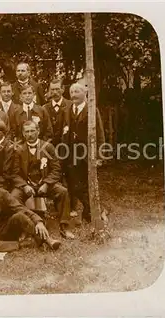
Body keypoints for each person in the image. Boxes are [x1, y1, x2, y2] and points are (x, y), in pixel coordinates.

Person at [0, 171, 61, 252]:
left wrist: (38, 221)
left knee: (19, 215)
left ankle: (47, 239)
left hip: (6, 228)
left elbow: (20, 208)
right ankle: (23, 244)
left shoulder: (3, 194)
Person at [10, 121, 73, 239]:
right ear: (23, 134)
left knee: (62, 191)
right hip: (27, 185)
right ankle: (24, 227)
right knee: (14, 197)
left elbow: (56, 169)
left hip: (45, 183)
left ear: (38, 131)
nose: (30, 134)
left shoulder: (48, 147)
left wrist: (47, 184)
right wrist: (24, 186)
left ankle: (64, 226)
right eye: (27, 131)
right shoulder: (19, 150)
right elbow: (14, 174)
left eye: (32, 131)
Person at [64, 82, 105, 223]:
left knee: (87, 185)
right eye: (72, 92)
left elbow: (100, 134)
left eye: (77, 91)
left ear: (85, 93)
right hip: (71, 155)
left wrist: (99, 156)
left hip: (87, 155)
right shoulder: (68, 109)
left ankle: (90, 213)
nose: (73, 95)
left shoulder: (92, 110)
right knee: (75, 185)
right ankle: (94, 211)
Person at [42, 78, 71, 147]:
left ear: (62, 89)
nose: (55, 92)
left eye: (57, 89)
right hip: (49, 146)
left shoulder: (70, 105)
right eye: (52, 89)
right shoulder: (44, 108)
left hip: (66, 146)